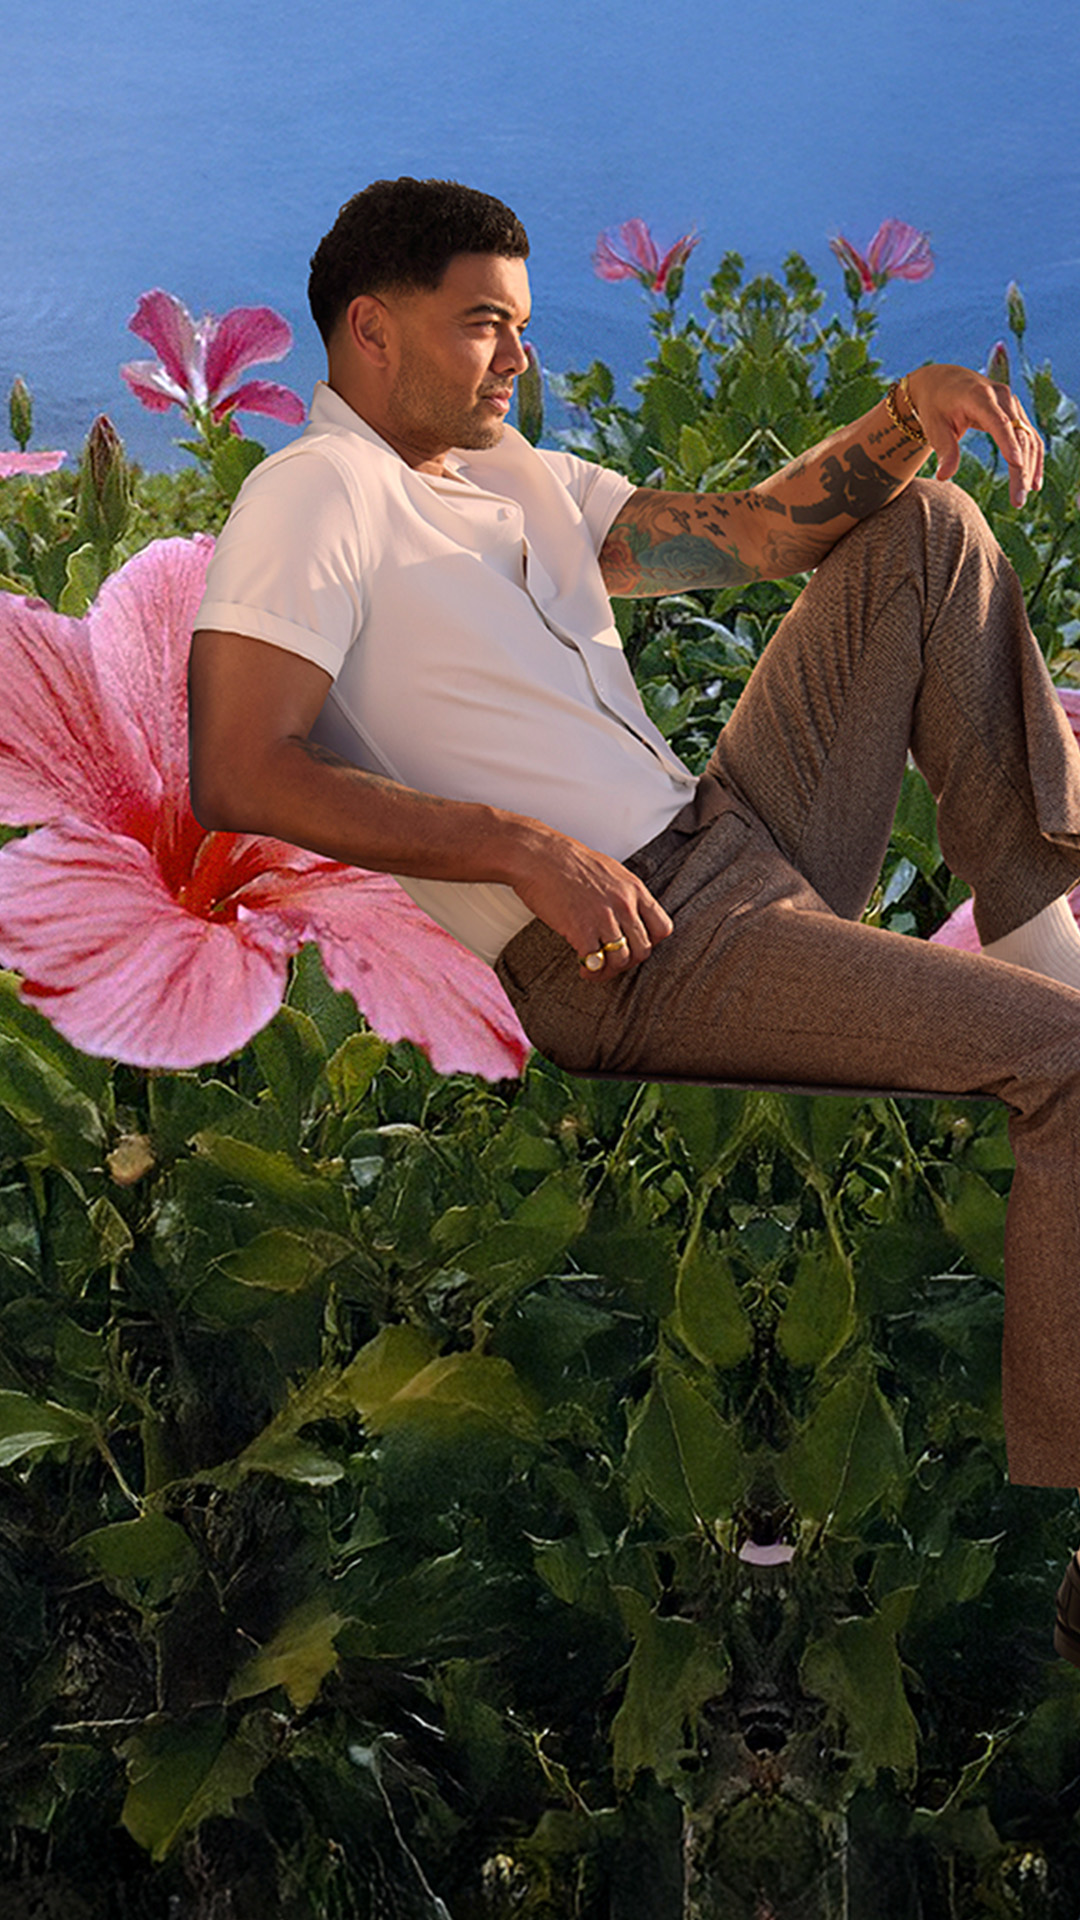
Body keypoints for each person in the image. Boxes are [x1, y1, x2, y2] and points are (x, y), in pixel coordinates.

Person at [188, 176, 1080, 1657]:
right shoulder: (315, 496)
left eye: (523, 329)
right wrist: (513, 848)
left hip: (728, 837)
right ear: (371, 330)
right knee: (1068, 1061)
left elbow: (748, 538)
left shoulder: (519, 479)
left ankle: (1047, 946)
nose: (515, 359)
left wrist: (904, 414)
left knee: (928, 528)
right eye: (485, 325)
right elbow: (241, 762)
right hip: (631, 954)